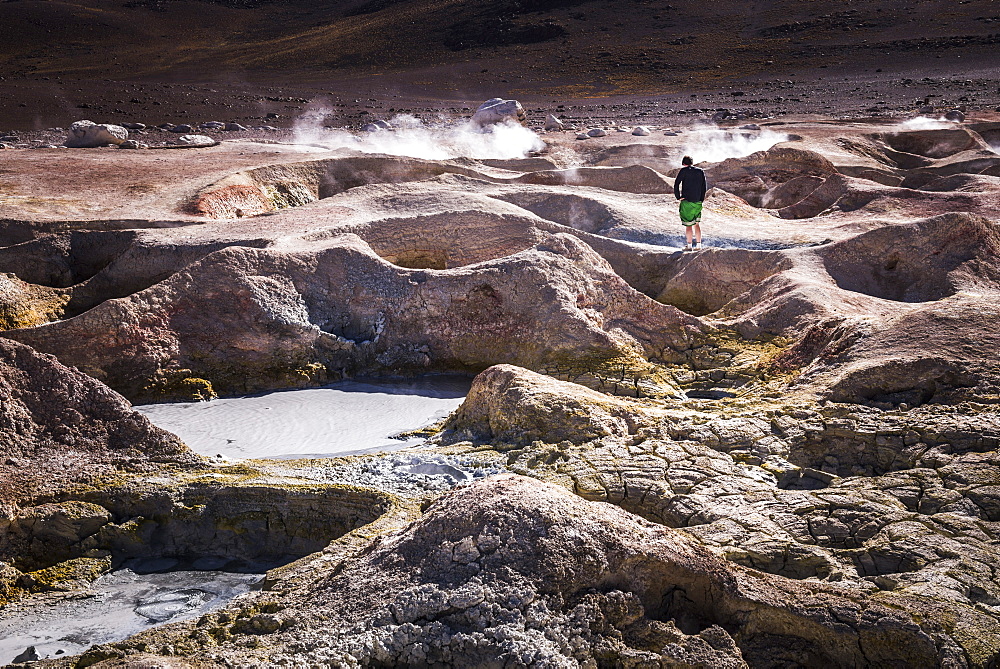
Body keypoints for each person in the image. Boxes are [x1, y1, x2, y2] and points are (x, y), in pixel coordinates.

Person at [674, 155, 708, 251]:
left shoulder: (683, 171)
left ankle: (689, 246)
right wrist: (701, 199)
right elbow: (703, 186)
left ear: (684, 163)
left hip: (686, 201)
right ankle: (698, 245)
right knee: (696, 224)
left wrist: (678, 197)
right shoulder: (700, 171)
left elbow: (676, 184)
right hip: (697, 202)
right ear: (692, 162)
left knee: (688, 225)